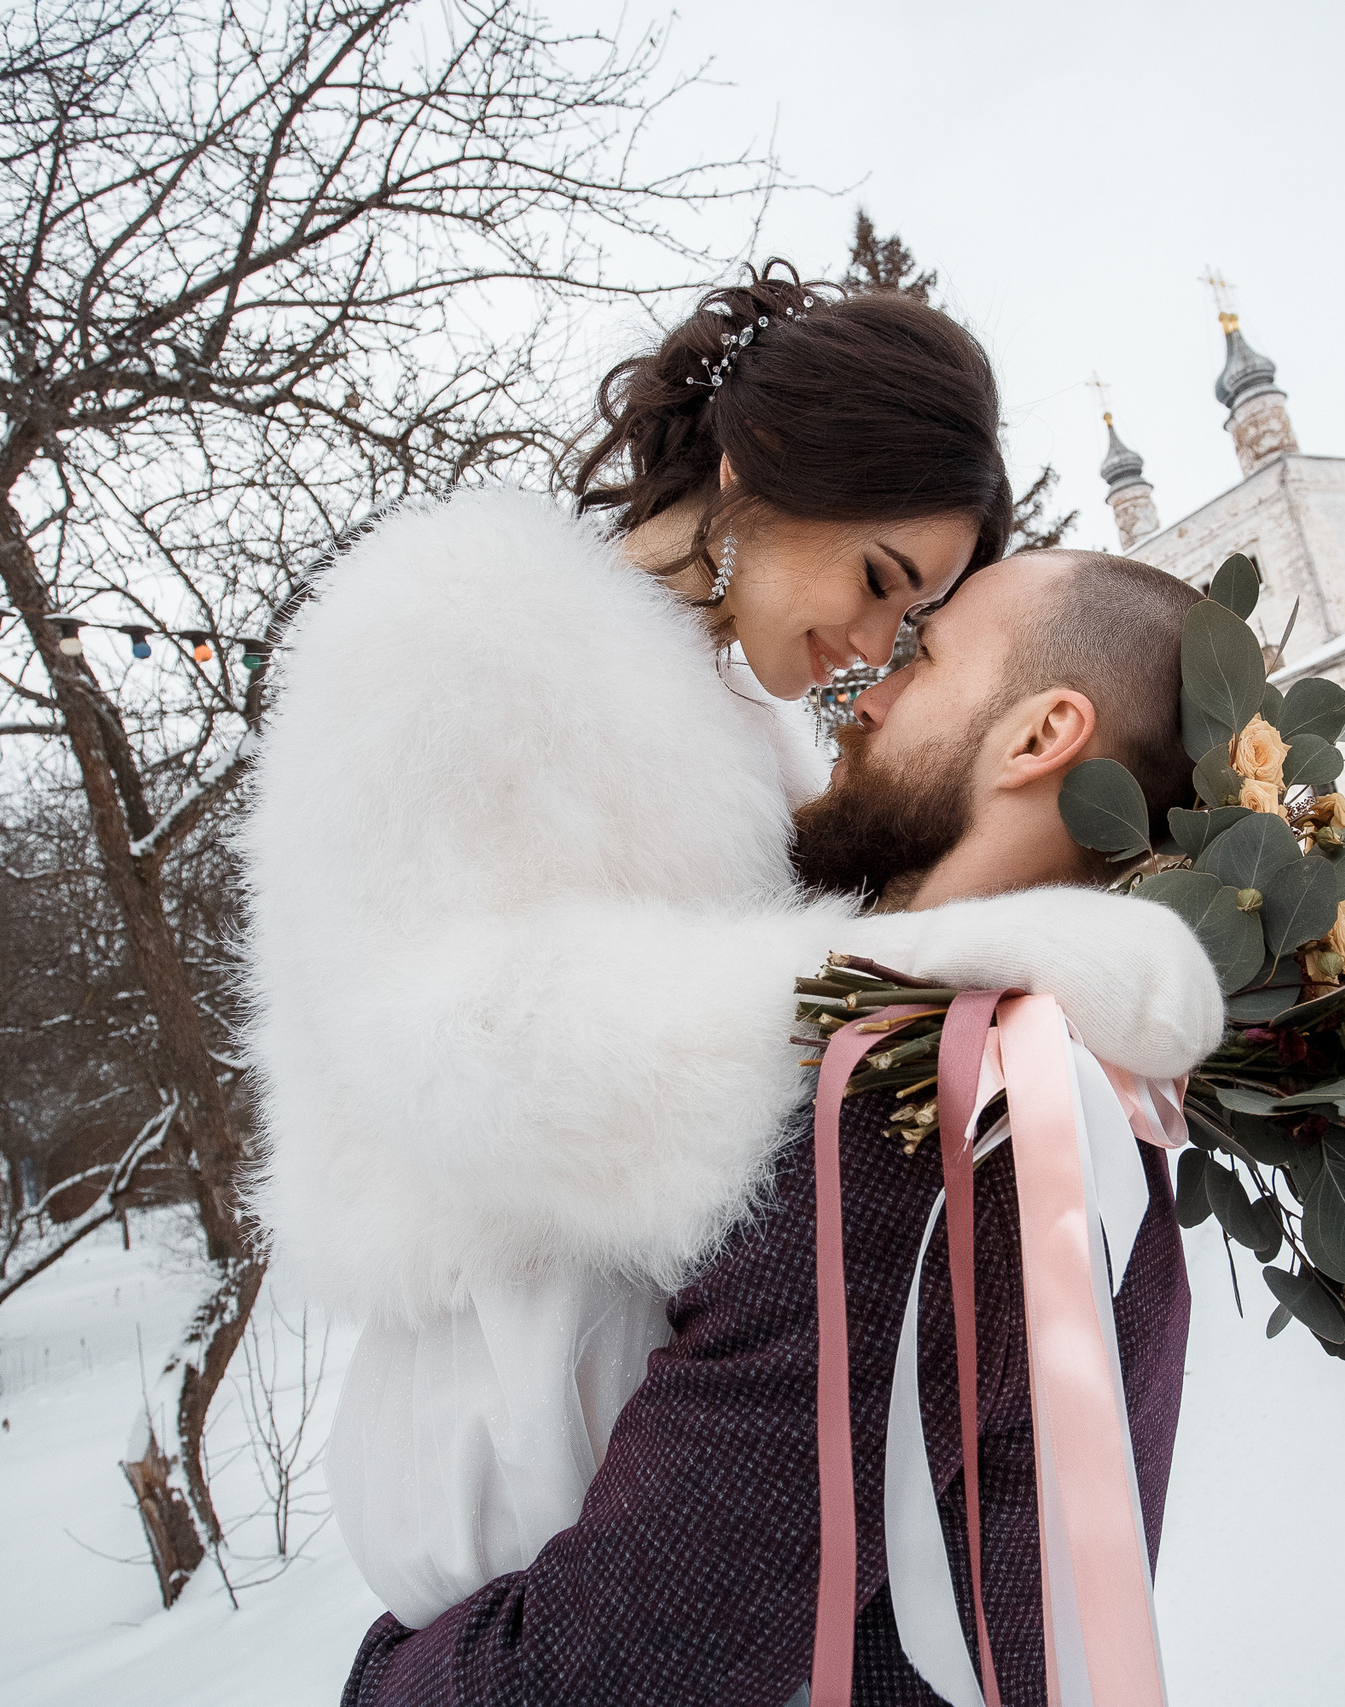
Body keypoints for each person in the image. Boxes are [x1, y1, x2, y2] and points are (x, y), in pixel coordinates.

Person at [243, 268, 1224, 1634]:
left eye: (916, 622)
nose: (873, 646)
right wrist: (936, 964)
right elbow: (453, 1043)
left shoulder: (754, 732)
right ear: (766, 464)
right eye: (882, 580)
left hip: (672, 1410)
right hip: (497, 1397)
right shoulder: (455, 622)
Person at [337, 547, 1207, 1707]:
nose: (866, 696)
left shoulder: (937, 1109)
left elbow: (612, 1668)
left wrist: (385, 1677)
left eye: (926, 658)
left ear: (1040, 737)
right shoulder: (1085, 1072)